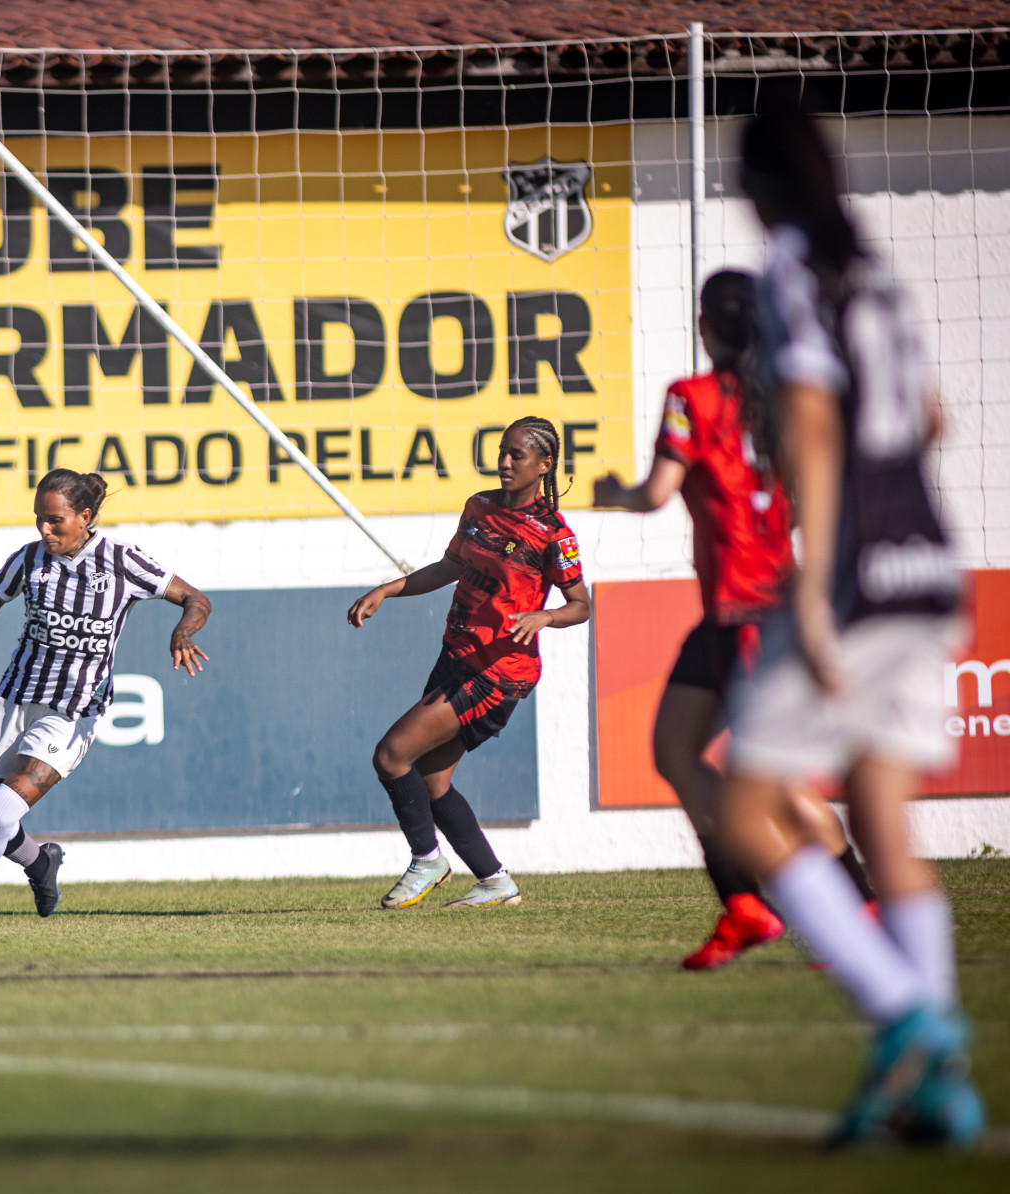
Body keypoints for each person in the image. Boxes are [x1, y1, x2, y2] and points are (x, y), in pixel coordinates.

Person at [718, 105, 983, 1146]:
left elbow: (819, 420)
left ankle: (911, 1011)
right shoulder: (872, 271)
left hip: (859, 575)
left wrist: (817, 583)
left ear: (758, 186)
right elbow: (927, 418)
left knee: (744, 813)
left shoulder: (789, 267)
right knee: (883, 812)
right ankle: (941, 1087)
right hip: (929, 564)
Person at [595, 271, 873, 971]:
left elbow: (657, 493)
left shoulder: (691, 398)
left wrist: (613, 494)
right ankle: (744, 906)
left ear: (705, 329)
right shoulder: (784, 404)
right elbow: (814, 499)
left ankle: (860, 909)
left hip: (750, 617)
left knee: (774, 785)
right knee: (672, 750)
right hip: (743, 612)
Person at [0, 468, 211, 929]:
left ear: (84, 517)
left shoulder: (123, 562)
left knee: (3, 811)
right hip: (15, 696)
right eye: (38, 520)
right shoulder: (27, 561)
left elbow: (195, 599)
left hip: (73, 711)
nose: (44, 530)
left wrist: (182, 632)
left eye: (55, 521)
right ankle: (40, 862)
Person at [348, 417, 590, 909]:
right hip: (456, 656)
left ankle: (427, 861)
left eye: (516, 455)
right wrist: (387, 590)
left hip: (498, 672)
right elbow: (448, 568)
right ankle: (496, 882)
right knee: (434, 781)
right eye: (501, 451)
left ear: (544, 465)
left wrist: (545, 615)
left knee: (392, 755)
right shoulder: (478, 507)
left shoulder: (552, 533)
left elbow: (581, 604)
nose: (504, 462)